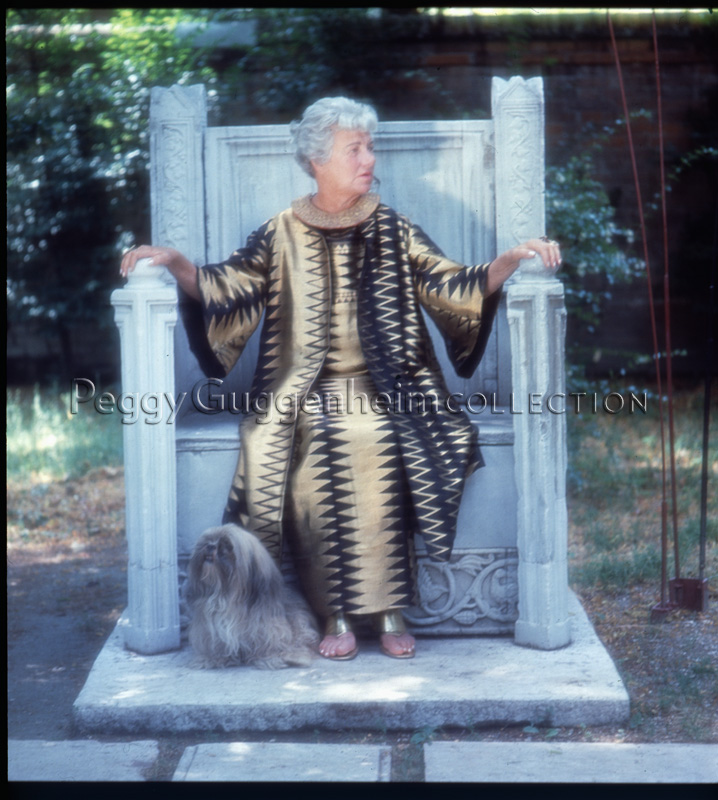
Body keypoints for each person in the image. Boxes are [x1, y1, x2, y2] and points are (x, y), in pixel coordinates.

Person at [120, 96, 561, 661]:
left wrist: (509, 260)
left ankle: (390, 608)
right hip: (300, 394)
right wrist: (176, 262)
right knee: (320, 442)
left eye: (369, 147)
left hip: (390, 386)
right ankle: (336, 612)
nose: (369, 159)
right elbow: (227, 287)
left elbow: (449, 283)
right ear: (317, 159)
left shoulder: (393, 227)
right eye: (355, 149)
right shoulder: (280, 231)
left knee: (377, 434)